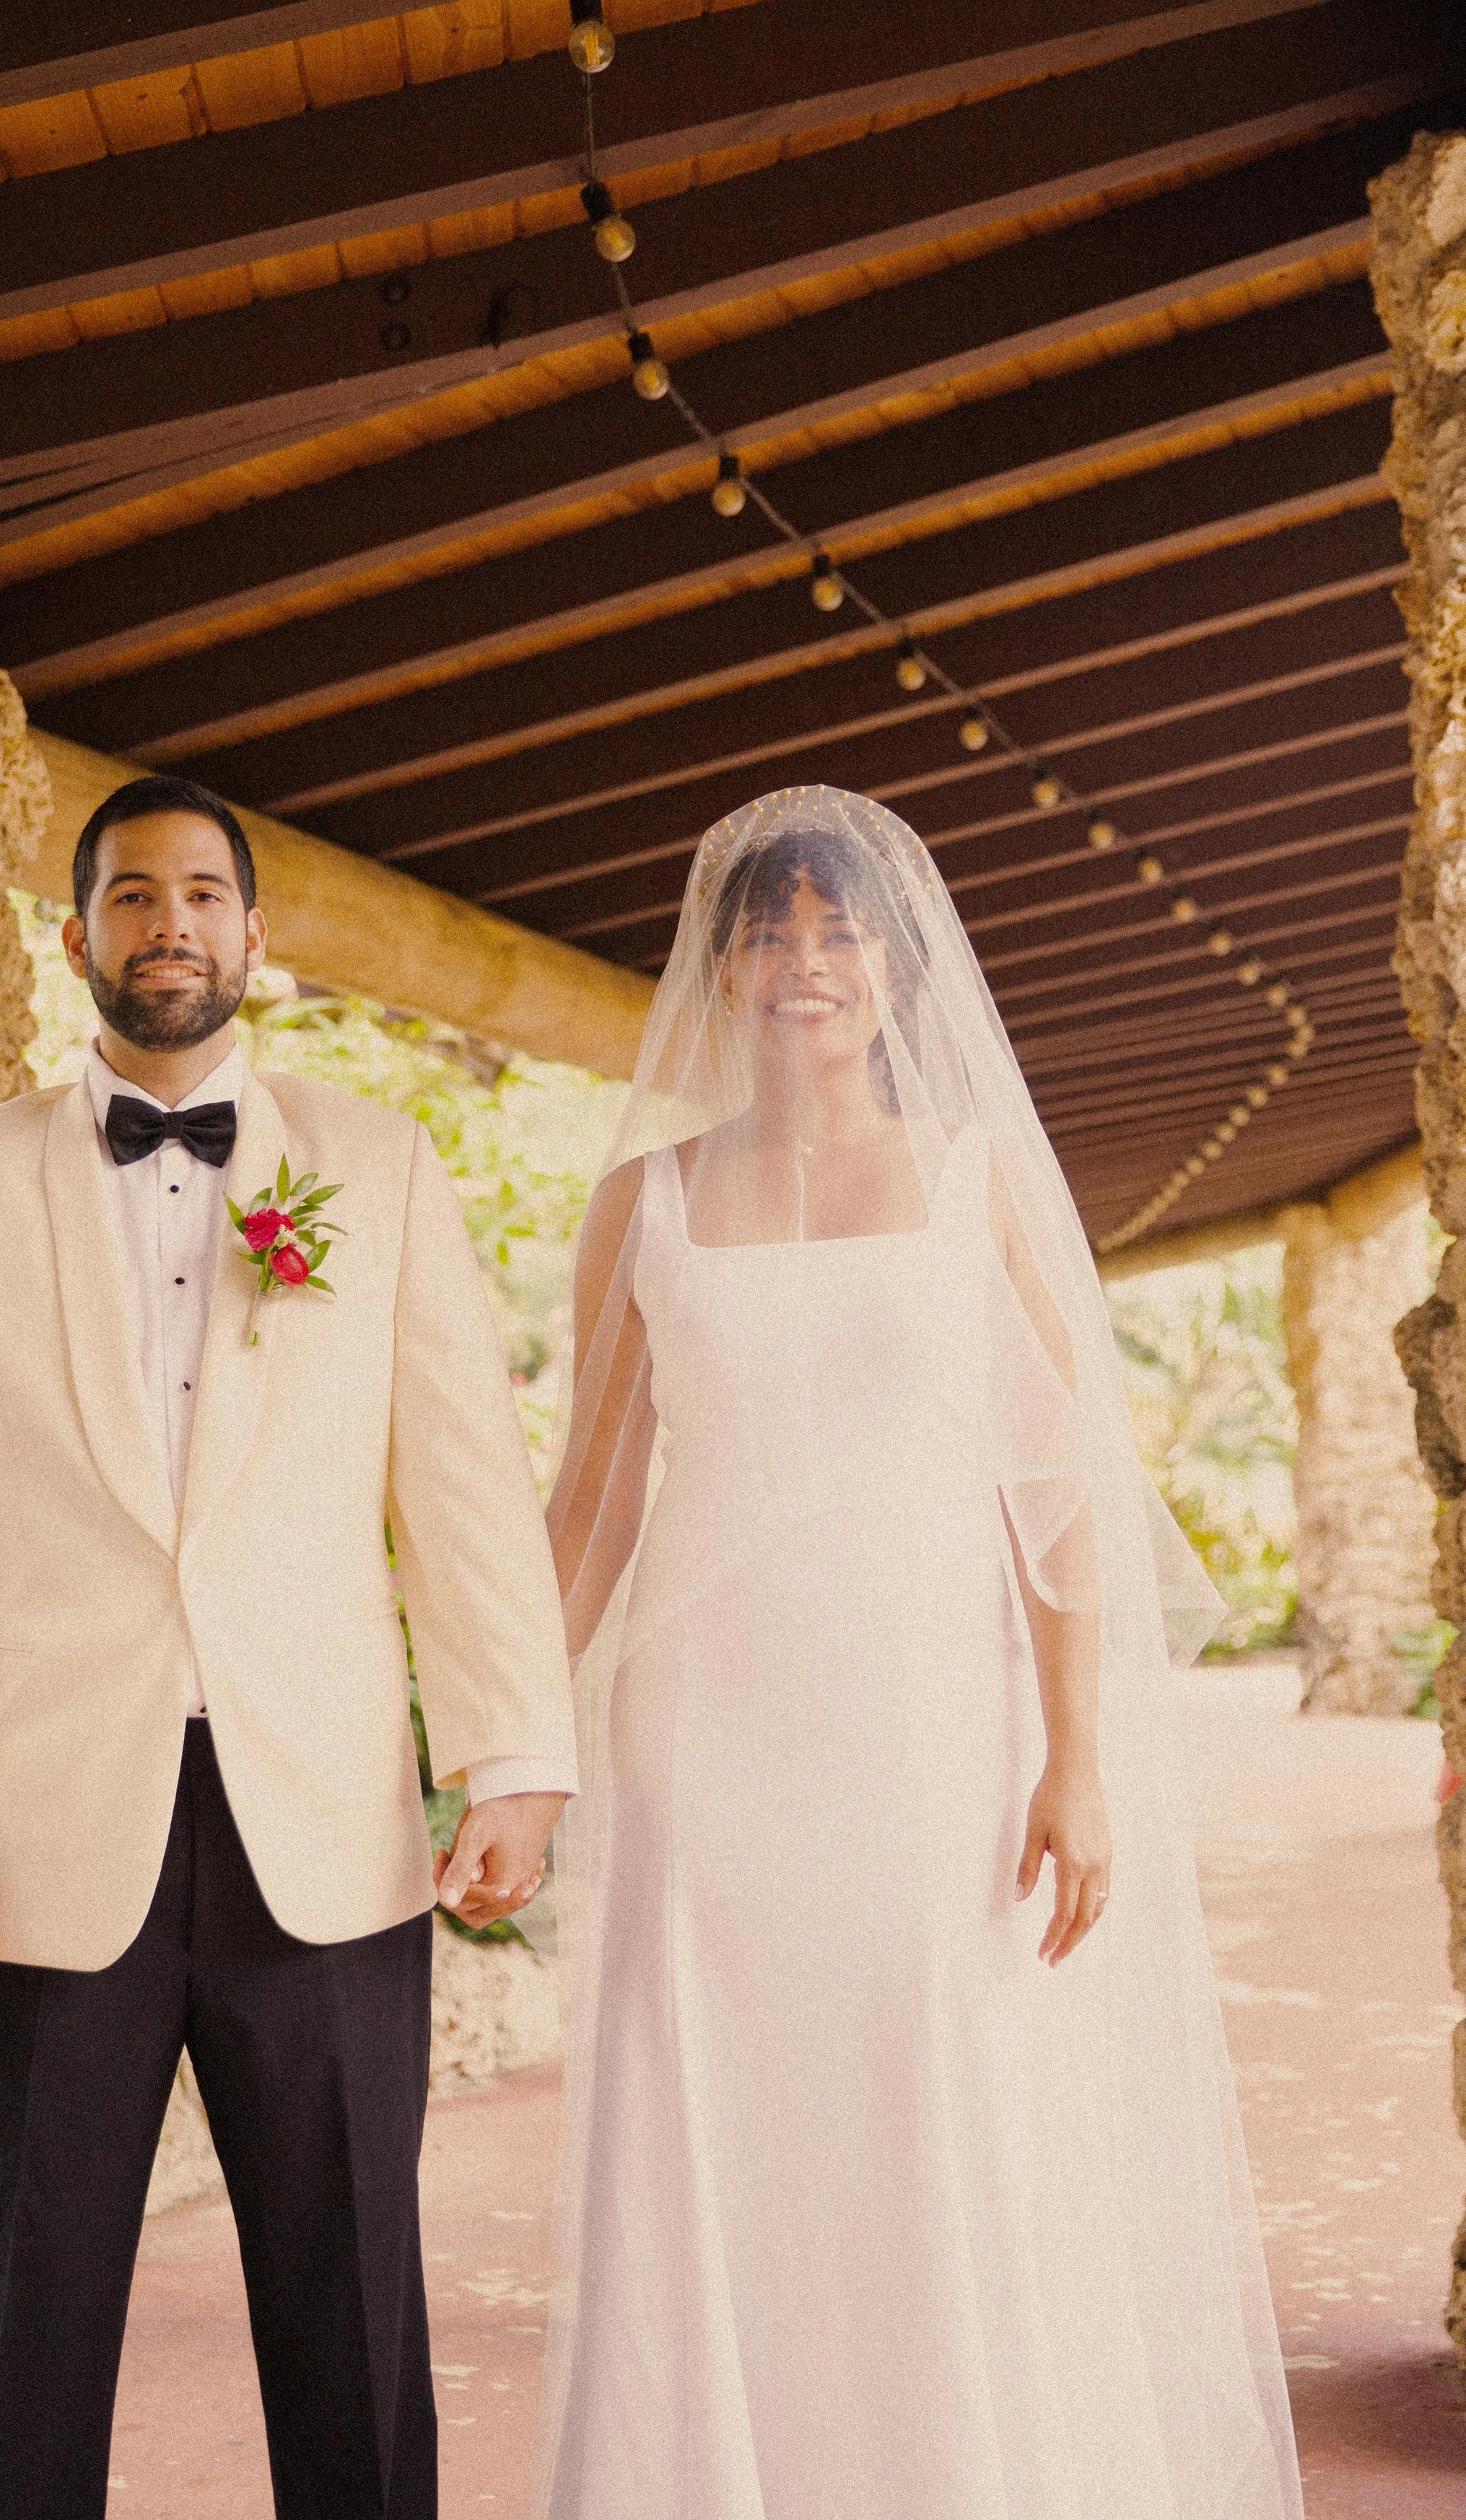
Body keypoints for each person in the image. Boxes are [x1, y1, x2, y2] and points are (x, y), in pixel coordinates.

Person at [532, 785, 1303, 2520]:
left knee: (928, 2097)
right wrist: (509, 1741)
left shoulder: (977, 1184)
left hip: (920, 1731)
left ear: (896, 963)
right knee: (713, 2121)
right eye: (769, 931)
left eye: (839, 931)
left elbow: (1062, 1489)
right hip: (702, 1735)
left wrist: (1076, 1759)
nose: (804, 962)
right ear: (720, 965)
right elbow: (585, 1503)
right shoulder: (642, 1200)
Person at [0, 775, 577, 2520]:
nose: (166, 920)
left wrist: (514, 1755)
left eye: (199, 892)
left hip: (319, 1826)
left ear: (256, 935)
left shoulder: (379, 1171)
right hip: (42, 1838)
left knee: (353, 2313)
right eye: (126, 894)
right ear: (76, 933)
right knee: (27, 2309)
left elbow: (459, 1481)